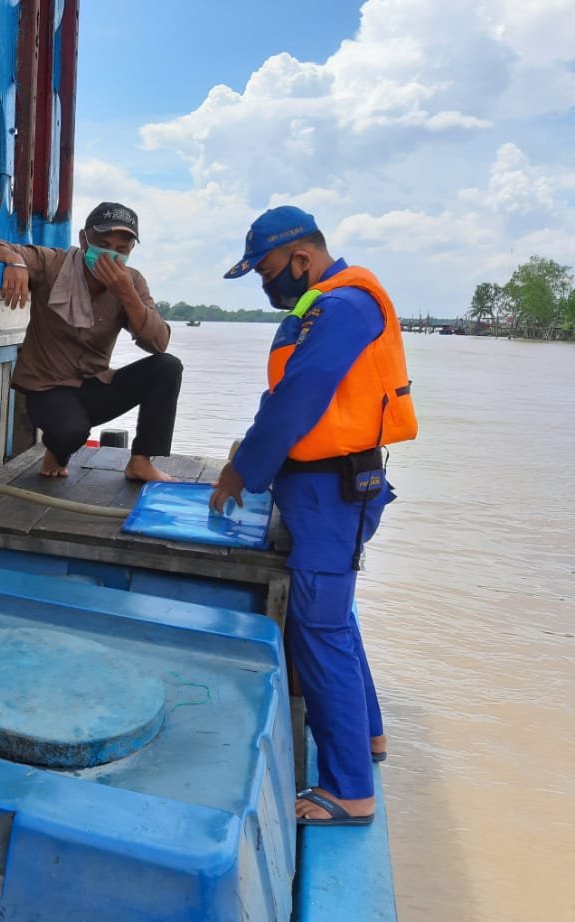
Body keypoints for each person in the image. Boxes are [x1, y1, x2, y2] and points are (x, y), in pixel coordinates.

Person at [209, 207, 417, 827]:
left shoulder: (345, 307)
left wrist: (242, 472)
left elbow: (301, 398)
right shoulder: (322, 307)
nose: (267, 286)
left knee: (318, 627)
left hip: (333, 493)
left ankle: (350, 790)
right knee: (336, 618)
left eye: (269, 271)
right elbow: (282, 398)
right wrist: (250, 456)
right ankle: (370, 737)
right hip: (319, 490)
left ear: (302, 259)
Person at [0, 202, 183, 482]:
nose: (111, 254)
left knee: (167, 367)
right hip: (46, 389)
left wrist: (126, 293)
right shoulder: (54, 264)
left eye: (121, 249)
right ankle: (58, 452)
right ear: (84, 239)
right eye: (102, 243)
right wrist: (16, 262)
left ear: (131, 251)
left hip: (95, 385)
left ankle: (141, 462)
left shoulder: (132, 281)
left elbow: (159, 342)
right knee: (70, 431)